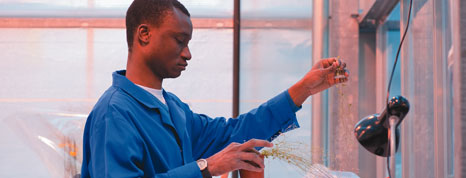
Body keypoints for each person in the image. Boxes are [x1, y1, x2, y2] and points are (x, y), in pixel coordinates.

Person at [80, 0, 349, 177]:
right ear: (144, 34)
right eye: (179, 40)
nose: (188, 53)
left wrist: (303, 89)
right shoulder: (114, 112)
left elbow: (235, 134)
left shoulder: (173, 109)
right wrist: (206, 167)